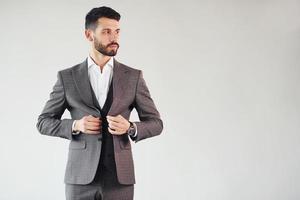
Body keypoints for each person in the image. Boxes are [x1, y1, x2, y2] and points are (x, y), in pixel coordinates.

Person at [36, 6, 163, 200]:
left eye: (117, 31)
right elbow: (43, 122)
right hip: (80, 178)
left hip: (119, 179)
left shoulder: (133, 77)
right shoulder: (67, 78)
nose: (114, 37)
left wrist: (130, 127)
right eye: (106, 31)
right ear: (89, 35)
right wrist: (76, 125)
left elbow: (156, 123)